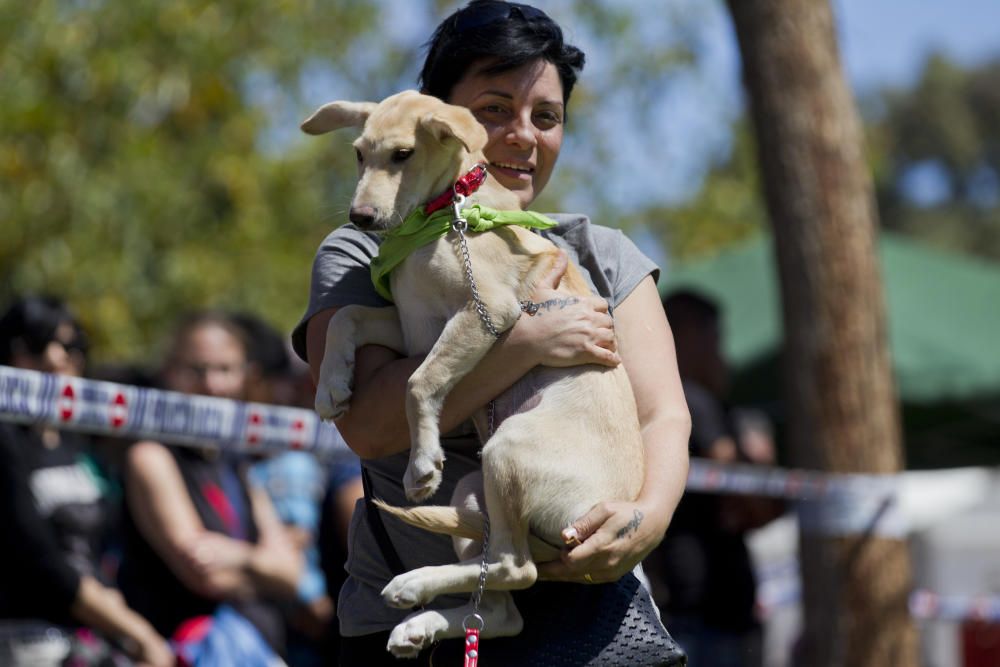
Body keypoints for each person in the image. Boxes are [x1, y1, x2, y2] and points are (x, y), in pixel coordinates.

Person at [293, 2, 691, 664]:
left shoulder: (601, 255)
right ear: (437, 116)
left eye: (547, 117)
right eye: (494, 110)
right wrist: (529, 345)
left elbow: (663, 416)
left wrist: (645, 521)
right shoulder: (362, 253)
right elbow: (366, 423)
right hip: (410, 623)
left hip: (590, 618)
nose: (520, 136)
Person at [117, 310, 303, 662]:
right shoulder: (151, 456)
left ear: (246, 376)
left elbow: (292, 576)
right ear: (170, 372)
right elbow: (205, 577)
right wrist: (264, 566)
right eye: (196, 370)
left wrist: (234, 555)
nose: (212, 385)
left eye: (224, 370)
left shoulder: (235, 460)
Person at [0, 296, 173, 667]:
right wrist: (137, 632)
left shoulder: (81, 441)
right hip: (30, 639)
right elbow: (36, 557)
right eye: (35, 344)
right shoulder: (5, 441)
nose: (55, 358)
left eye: (71, 346)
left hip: (99, 632)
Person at [642, 289, 786, 667]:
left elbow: (758, 509)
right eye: (714, 337)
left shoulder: (704, 404)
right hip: (699, 609)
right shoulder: (691, 401)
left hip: (713, 607)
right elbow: (750, 496)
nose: (721, 352)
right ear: (687, 334)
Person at [234, 311, 363, 666]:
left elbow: (345, 523)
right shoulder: (242, 455)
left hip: (307, 625)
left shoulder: (313, 455)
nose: (295, 391)